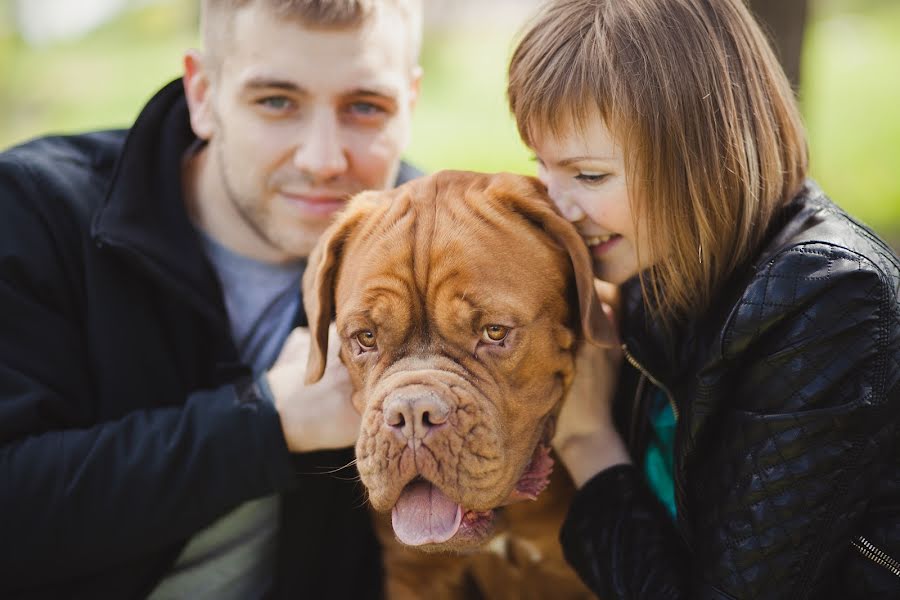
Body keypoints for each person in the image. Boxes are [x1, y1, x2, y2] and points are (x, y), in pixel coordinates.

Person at [0, 0, 422, 597]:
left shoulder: (437, 252)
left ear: (410, 103)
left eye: (364, 107)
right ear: (203, 94)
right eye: (276, 102)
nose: (324, 160)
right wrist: (267, 422)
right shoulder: (33, 213)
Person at [507, 0, 900, 598]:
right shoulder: (648, 265)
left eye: (588, 176)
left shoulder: (830, 299)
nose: (557, 207)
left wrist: (588, 443)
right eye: (542, 165)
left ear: (703, 153)